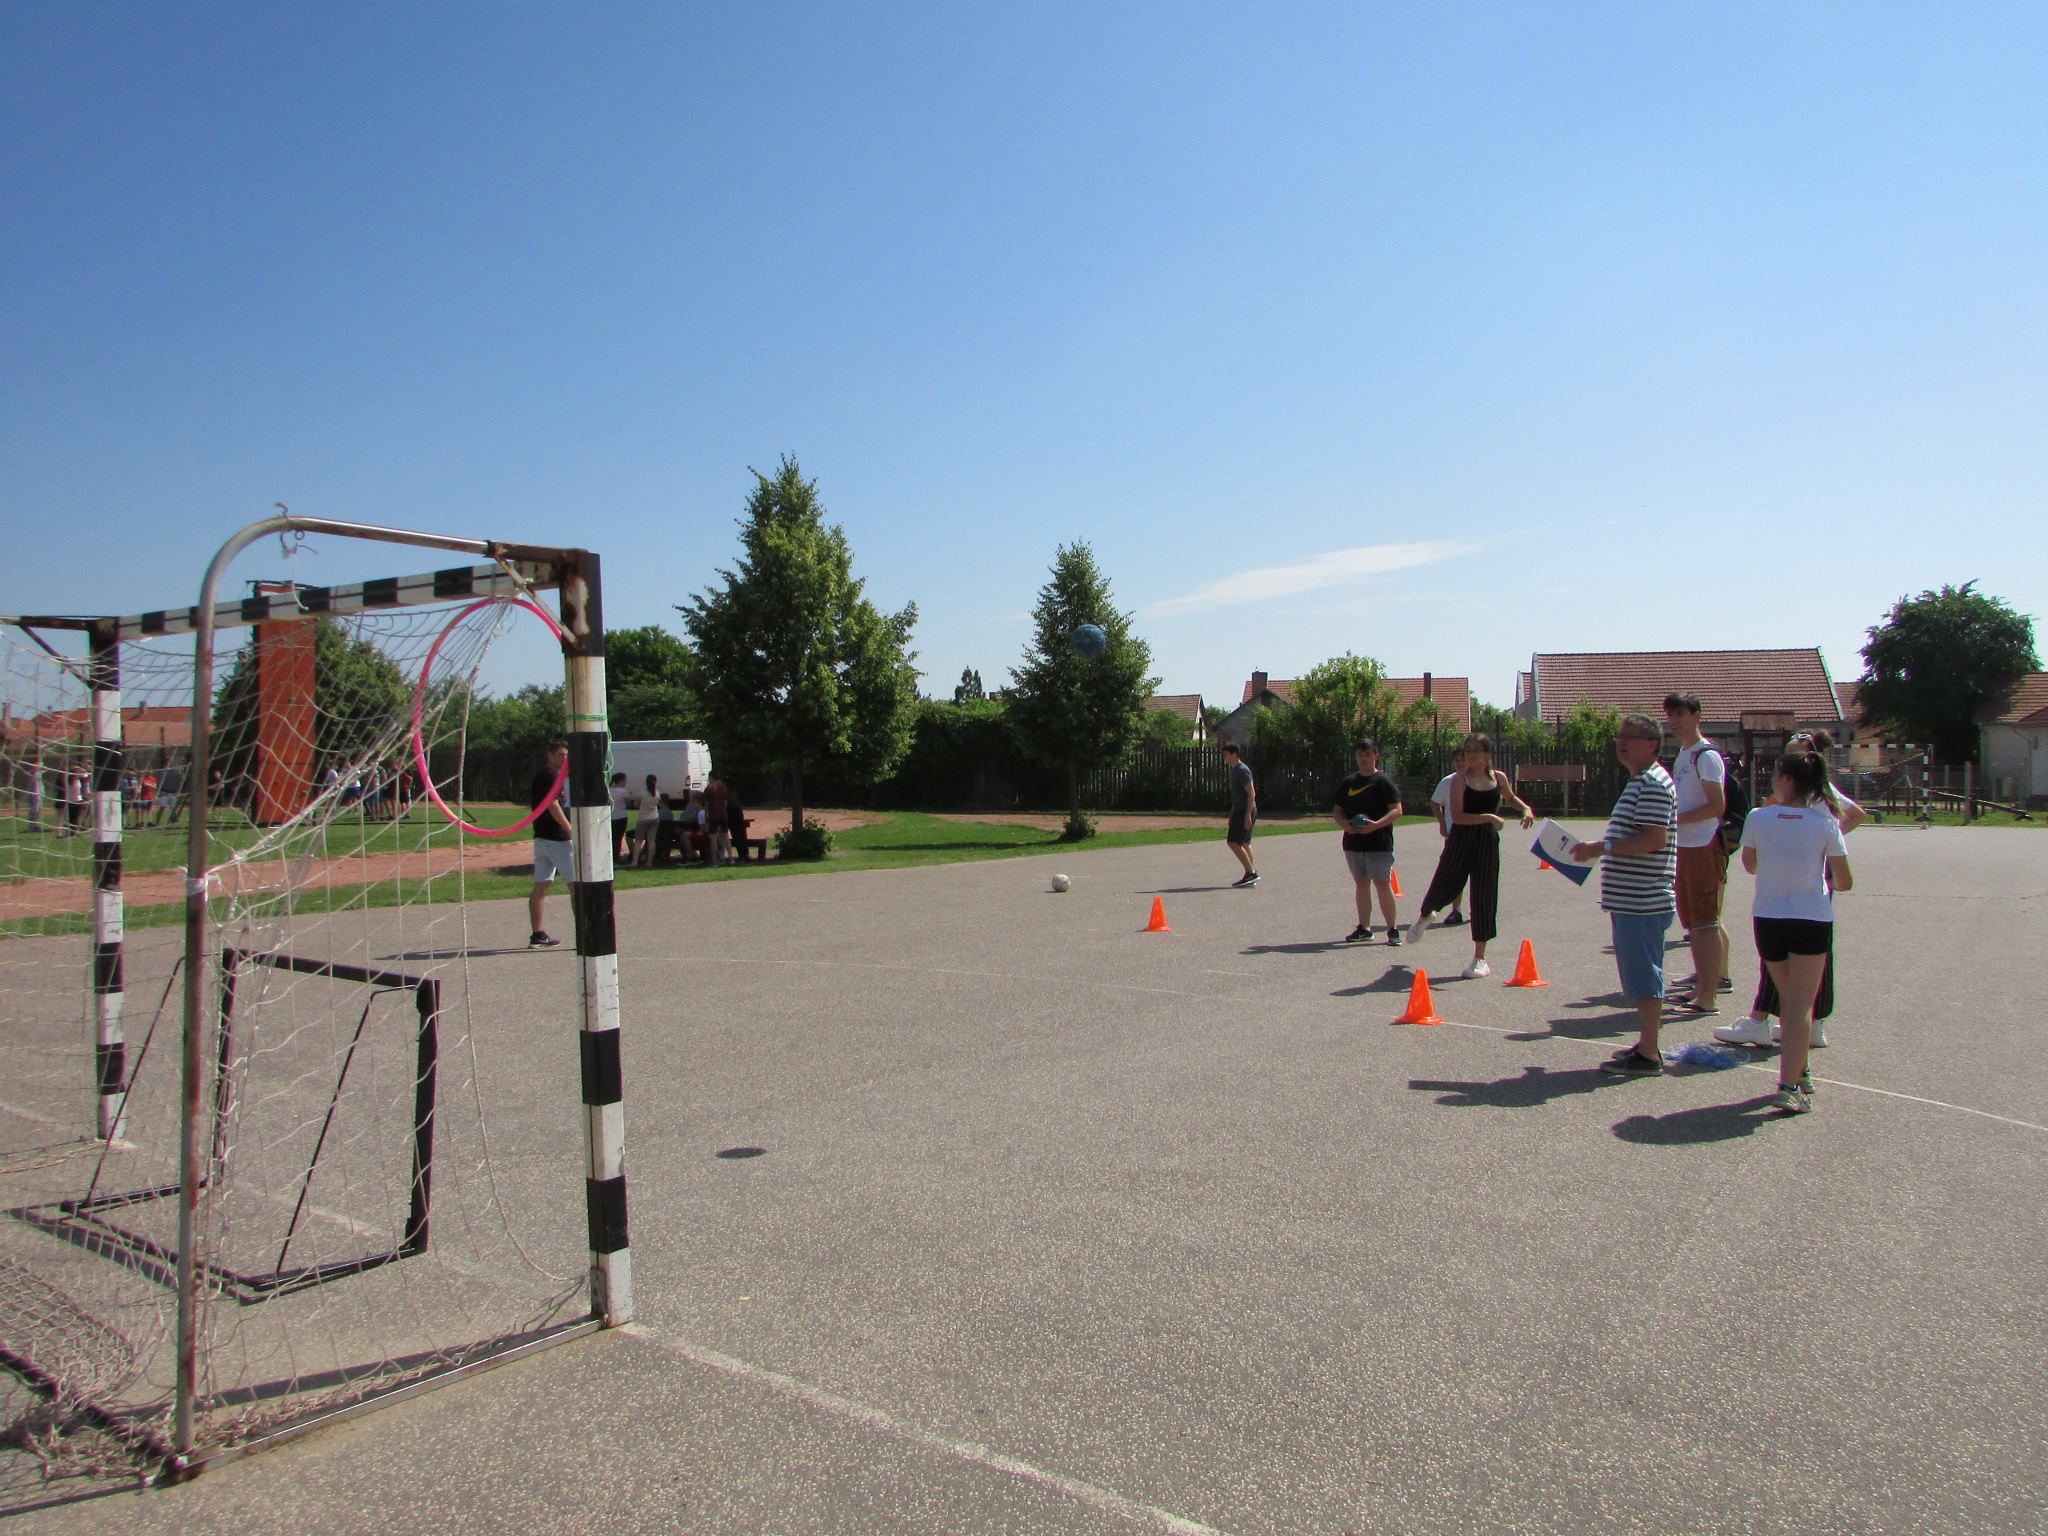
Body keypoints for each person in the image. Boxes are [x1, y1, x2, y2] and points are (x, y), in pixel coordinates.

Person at [1716, 730, 1866, 1050]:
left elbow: (1854, 815)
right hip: (1801, 899)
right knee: (1798, 982)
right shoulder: (1809, 814)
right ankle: (1787, 1037)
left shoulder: (1809, 803)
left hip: (1789, 898)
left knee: (1795, 979)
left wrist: (1822, 853)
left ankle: (1788, 1025)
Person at [1737, 751, 1853, 1114]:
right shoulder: (1825, 823)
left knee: (1790, 999)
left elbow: (1750, 864)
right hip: (1810, 918)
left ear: (1786, 780)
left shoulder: (1758, 816)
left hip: (1769, 917)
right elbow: (1844, 880)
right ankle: (1789, 1085)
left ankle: (1800, 1070)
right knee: (1801, 1003)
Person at [1571, 715, 1680, 1075]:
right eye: (1620, 736)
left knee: (1644, 976)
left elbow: (1653, 839)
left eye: (1630, 737)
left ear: (1652, 744)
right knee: (1638, 974)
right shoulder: (1641, 781)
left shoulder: (1652, 783)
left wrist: (1602, 847)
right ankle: (1646, 1044)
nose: (1621, 742)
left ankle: (1649, 1054)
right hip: (1633, 897)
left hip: (1643, 898)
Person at [1406, 733, 1534, 977]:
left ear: (1487, 754)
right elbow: (1459, 816)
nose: (1471, 754)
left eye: (1476, 750)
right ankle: (1424, 917)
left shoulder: (1498, 778)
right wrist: (1490, 817)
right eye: (1468, 750)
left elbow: (1510, 798)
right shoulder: (1459, 780)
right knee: (1445, 882)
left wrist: (1525, 808)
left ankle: (1479, 959)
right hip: (1462, 837)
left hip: (1486, 841)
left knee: (1484, 895)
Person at [1663, 693, 1729, 1018]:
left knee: (1706, 922)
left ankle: (1709, 996)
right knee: (1692, 924)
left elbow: (1716, 806)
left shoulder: (1706, 756)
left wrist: (1673, 821)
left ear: (1696, 715)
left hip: (1703, 846)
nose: (1674, 721)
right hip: (1684, 847)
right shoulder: (1683, 753)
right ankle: (1701, 986)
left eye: (1680, 714)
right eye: (1670, 715)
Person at [1333, 739, 1403, 942]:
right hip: (1354, 843)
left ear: (1376, 756)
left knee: (1382, 883)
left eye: (1367, 755)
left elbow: (1397, 810)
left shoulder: (1383, 781)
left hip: (1378, 842)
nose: (1363, 759)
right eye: (1360, 755)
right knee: (1361, 883)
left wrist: (1376, 825)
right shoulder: (1348, 782)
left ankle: (1392, 930)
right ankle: (1364, 928)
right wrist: (1344, 824)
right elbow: (1337, 811)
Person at [527, 741, 572, 948]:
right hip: (556, 839)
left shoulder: (546, 776)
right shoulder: (551, 776)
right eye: (561, 755)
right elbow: (552, 804)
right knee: (576, 885)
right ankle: (584, 934)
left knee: (541, 885)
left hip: (542, 838)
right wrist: (569, 829)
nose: (564, 759)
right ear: (550, 755)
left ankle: (537, 934)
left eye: (566, 755)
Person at [1426, 748, 1470, 926]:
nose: (1460, 764)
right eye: (1457, 760)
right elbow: (1435, 802)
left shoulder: (1478, 781)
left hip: (1477, 833)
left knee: (1478, 874)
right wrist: (1442, 824)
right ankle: (1456, 910)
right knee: (1455, 874)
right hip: (1455, 834)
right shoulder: (1448, 781)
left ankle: (1479, 909)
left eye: (1463, 760)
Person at [1222, 742, 1258, 887]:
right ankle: (1251, 873)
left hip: (1245, 810)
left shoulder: (1242, 770)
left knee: (1233, 842)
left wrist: (1247, 814)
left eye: (1226, 754)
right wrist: (1232, 814)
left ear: (1234, 754)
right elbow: (1237, 796)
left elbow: (1251, 792)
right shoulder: (1234, 770)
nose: (1224, 757)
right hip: (1239, 810)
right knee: (1244, 843)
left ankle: (1251, 873)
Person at [630, 774, 666, 868]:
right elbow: (659, 804)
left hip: (643, 818)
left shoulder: (642, 792)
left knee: (638, 840)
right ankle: (649, 862)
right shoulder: (657, 793)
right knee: (651, 841)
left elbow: (636, 804)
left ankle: (635, 862)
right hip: (654, 817)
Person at [705, 772, 733, 867]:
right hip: (723, 815)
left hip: (713, 816)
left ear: (711, 778)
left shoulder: (709, 788)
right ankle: (731, 858)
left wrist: (707, 812)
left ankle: (714, 861)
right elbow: (725, 803)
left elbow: (706, 804)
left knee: (713, 838)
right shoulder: (724, 787)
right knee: (726, 836)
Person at [608, 772, 633, 863]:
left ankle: (611, 856)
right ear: (620, 781)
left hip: (611, 816)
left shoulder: (609, 791)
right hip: (621, 816)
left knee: (612, 837)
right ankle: (616, 858)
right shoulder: (624, 791)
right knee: (619, 838)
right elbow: (628, 803)